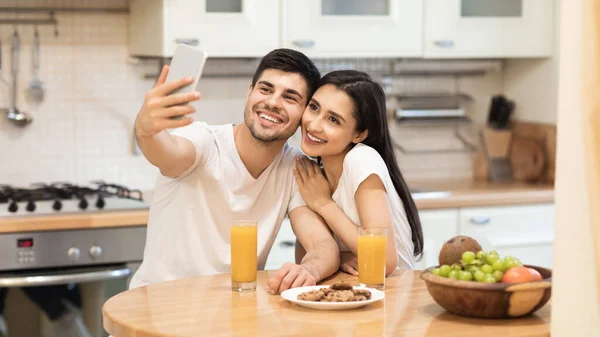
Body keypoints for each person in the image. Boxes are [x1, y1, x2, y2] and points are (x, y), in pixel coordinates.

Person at [130, 48, 340, 294]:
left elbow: (322, 244)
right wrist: (145, 130)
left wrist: (309, 270)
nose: (273, 102)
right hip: (159, 310)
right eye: (265, 89)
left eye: (290, 97)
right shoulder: (204, 141)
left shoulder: (295, 168)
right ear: (249, 93)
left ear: (304, 113)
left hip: (230, 316)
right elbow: (167, 153)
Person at [292, 70, 424, 276]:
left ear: (359, 134)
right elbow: (305, 258)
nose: (314, 125)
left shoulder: (361, 160)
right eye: (314, 107)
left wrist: (323, 204)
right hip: (353, 292)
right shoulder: (313, 174)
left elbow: (383, 261)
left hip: (393, 295)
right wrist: (341, 258)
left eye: (333, 120)